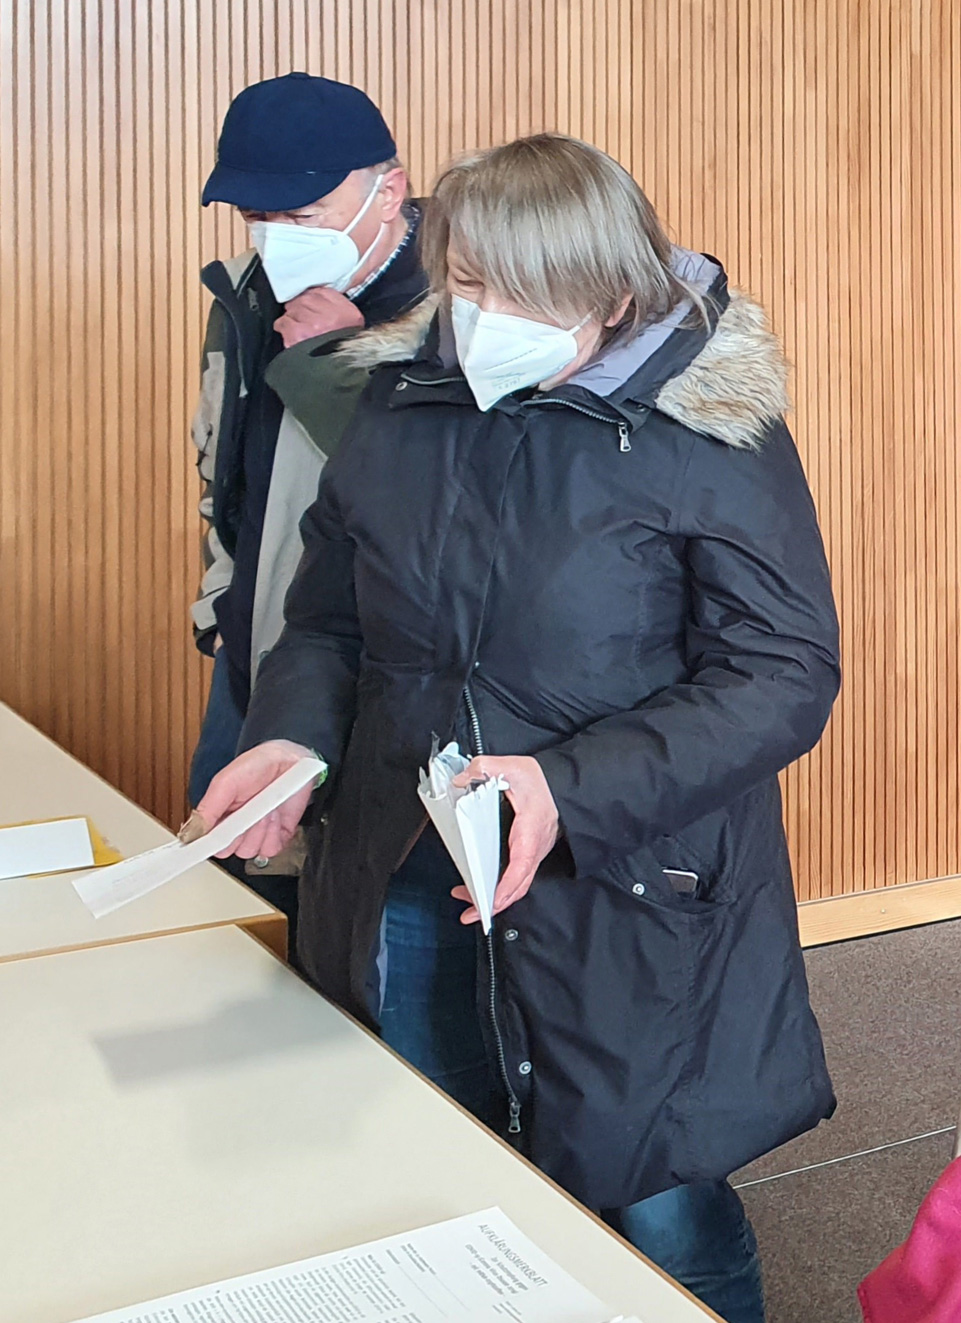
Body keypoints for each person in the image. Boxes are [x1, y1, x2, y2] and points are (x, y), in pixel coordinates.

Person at [196, 134, 840, 1323]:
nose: (485, 317)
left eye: (524, 292)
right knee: (448, 1173)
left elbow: (784, 670)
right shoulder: (400, 403)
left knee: (655, 1206)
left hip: (628, 886)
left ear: (611, 289)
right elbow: (331, 623)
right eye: (469, 283)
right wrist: (293, 738)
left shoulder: (710, 433)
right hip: (405, 863)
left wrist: (570, 787)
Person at [191, 73, 429, 934]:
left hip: (383, 662)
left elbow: (443, 496)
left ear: (388, 190)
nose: (274, 239)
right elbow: (223, 461)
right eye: (258, 217)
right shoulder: (251, 293)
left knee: (350, 924)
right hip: (255, 645)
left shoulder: (467, 302)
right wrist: (218, 600)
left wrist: (331, 364)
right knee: (234, 891)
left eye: (302, 216)